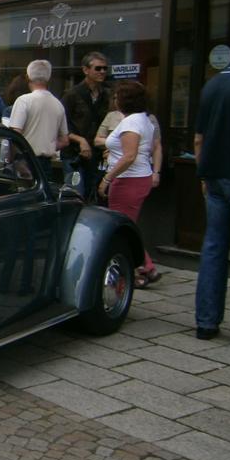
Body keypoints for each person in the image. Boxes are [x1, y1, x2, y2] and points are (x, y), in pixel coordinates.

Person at [193, 34, 230, 342]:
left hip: (214, 175)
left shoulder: (213, 84)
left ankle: (206, 323)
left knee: (213, 248)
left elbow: (199, 138)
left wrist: (202, 174)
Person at [96, 81, 160, 287]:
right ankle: (146, 266)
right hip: (138, 177)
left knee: (120, 230)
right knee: (128, 225)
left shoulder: (132, 122)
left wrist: (107, 178)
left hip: (128, 180)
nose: (114, 100)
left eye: (116, 97)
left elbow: (129, 155)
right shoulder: (145, 120)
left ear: (124, 100)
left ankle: (133, 273)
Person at [61, 51, 112, 200]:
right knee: (75, 194)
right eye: (98, 68)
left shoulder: (107, 94)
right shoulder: (72, 94)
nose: (102, 71)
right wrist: (80, 140)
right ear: (86, 70)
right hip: (73, 154)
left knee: (94, 193)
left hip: (97, 154)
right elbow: (61, 125)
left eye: (104, 68)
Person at [8, 60, 68, 179]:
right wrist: (48, 145)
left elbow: (15, 135)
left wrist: (12, 159)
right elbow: (65, 140)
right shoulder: (58, 104)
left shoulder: (23, 101)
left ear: (27, 77)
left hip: (25, 160)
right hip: (46, 163)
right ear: (49, 78)